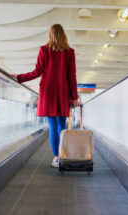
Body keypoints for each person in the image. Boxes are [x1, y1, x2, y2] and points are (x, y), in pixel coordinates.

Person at [11, 24, 79, 168]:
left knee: (52, 125)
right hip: (63, 92)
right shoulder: (70, 52)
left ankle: (56, 158)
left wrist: (19, 77)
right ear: (64, 35)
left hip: (48, 92)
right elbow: (71, 76)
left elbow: (37, 72)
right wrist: (74, 96)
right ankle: (63, 155)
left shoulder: (44, 50)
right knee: (62, 125)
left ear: (50, 35)